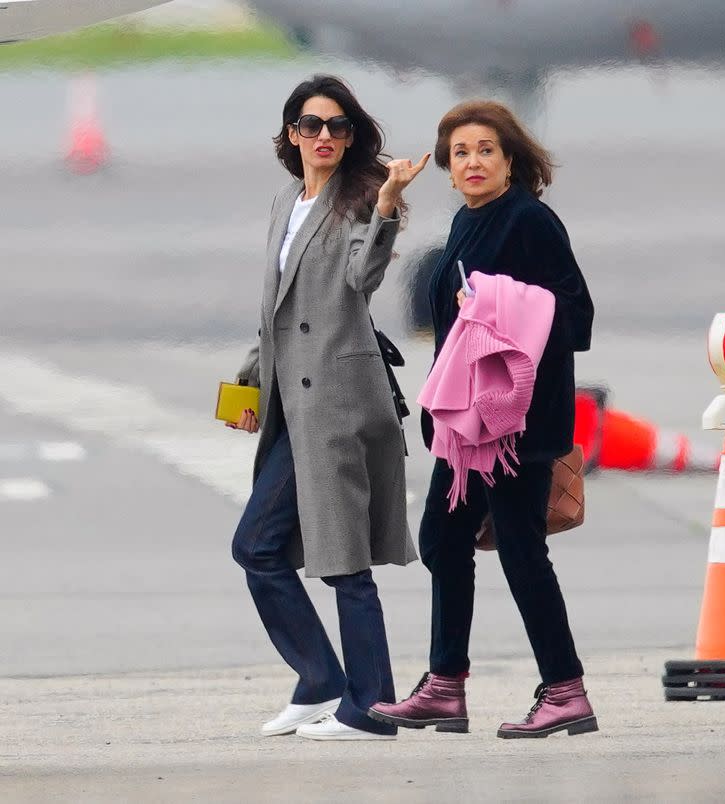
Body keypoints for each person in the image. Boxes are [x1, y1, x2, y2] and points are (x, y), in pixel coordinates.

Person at [369, 100, 597, 738]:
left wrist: (500, 304)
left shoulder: (530, 220)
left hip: (517, 425)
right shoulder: (468, 223)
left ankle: (564, 691)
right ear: (446, 167)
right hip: (470, 430)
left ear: (510, 160)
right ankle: (445, 687)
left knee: (522, 550)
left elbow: (575, 317)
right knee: (443, 541)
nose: (472, 162)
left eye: (486, 150)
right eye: (461, 152)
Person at [229, 75, 428, 741]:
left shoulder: (359, 203)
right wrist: (247, 389)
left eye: (338, 128)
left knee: (341, 561)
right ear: (291, 133)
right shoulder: (287, 200)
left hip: (340, 405)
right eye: (312, 125)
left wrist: (391, 203)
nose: (324, 137)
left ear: (352, 137)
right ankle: (319, 681)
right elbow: (275, 315)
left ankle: (369, 705)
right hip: (293, 401)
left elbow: (359, 278)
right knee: (260, 547)